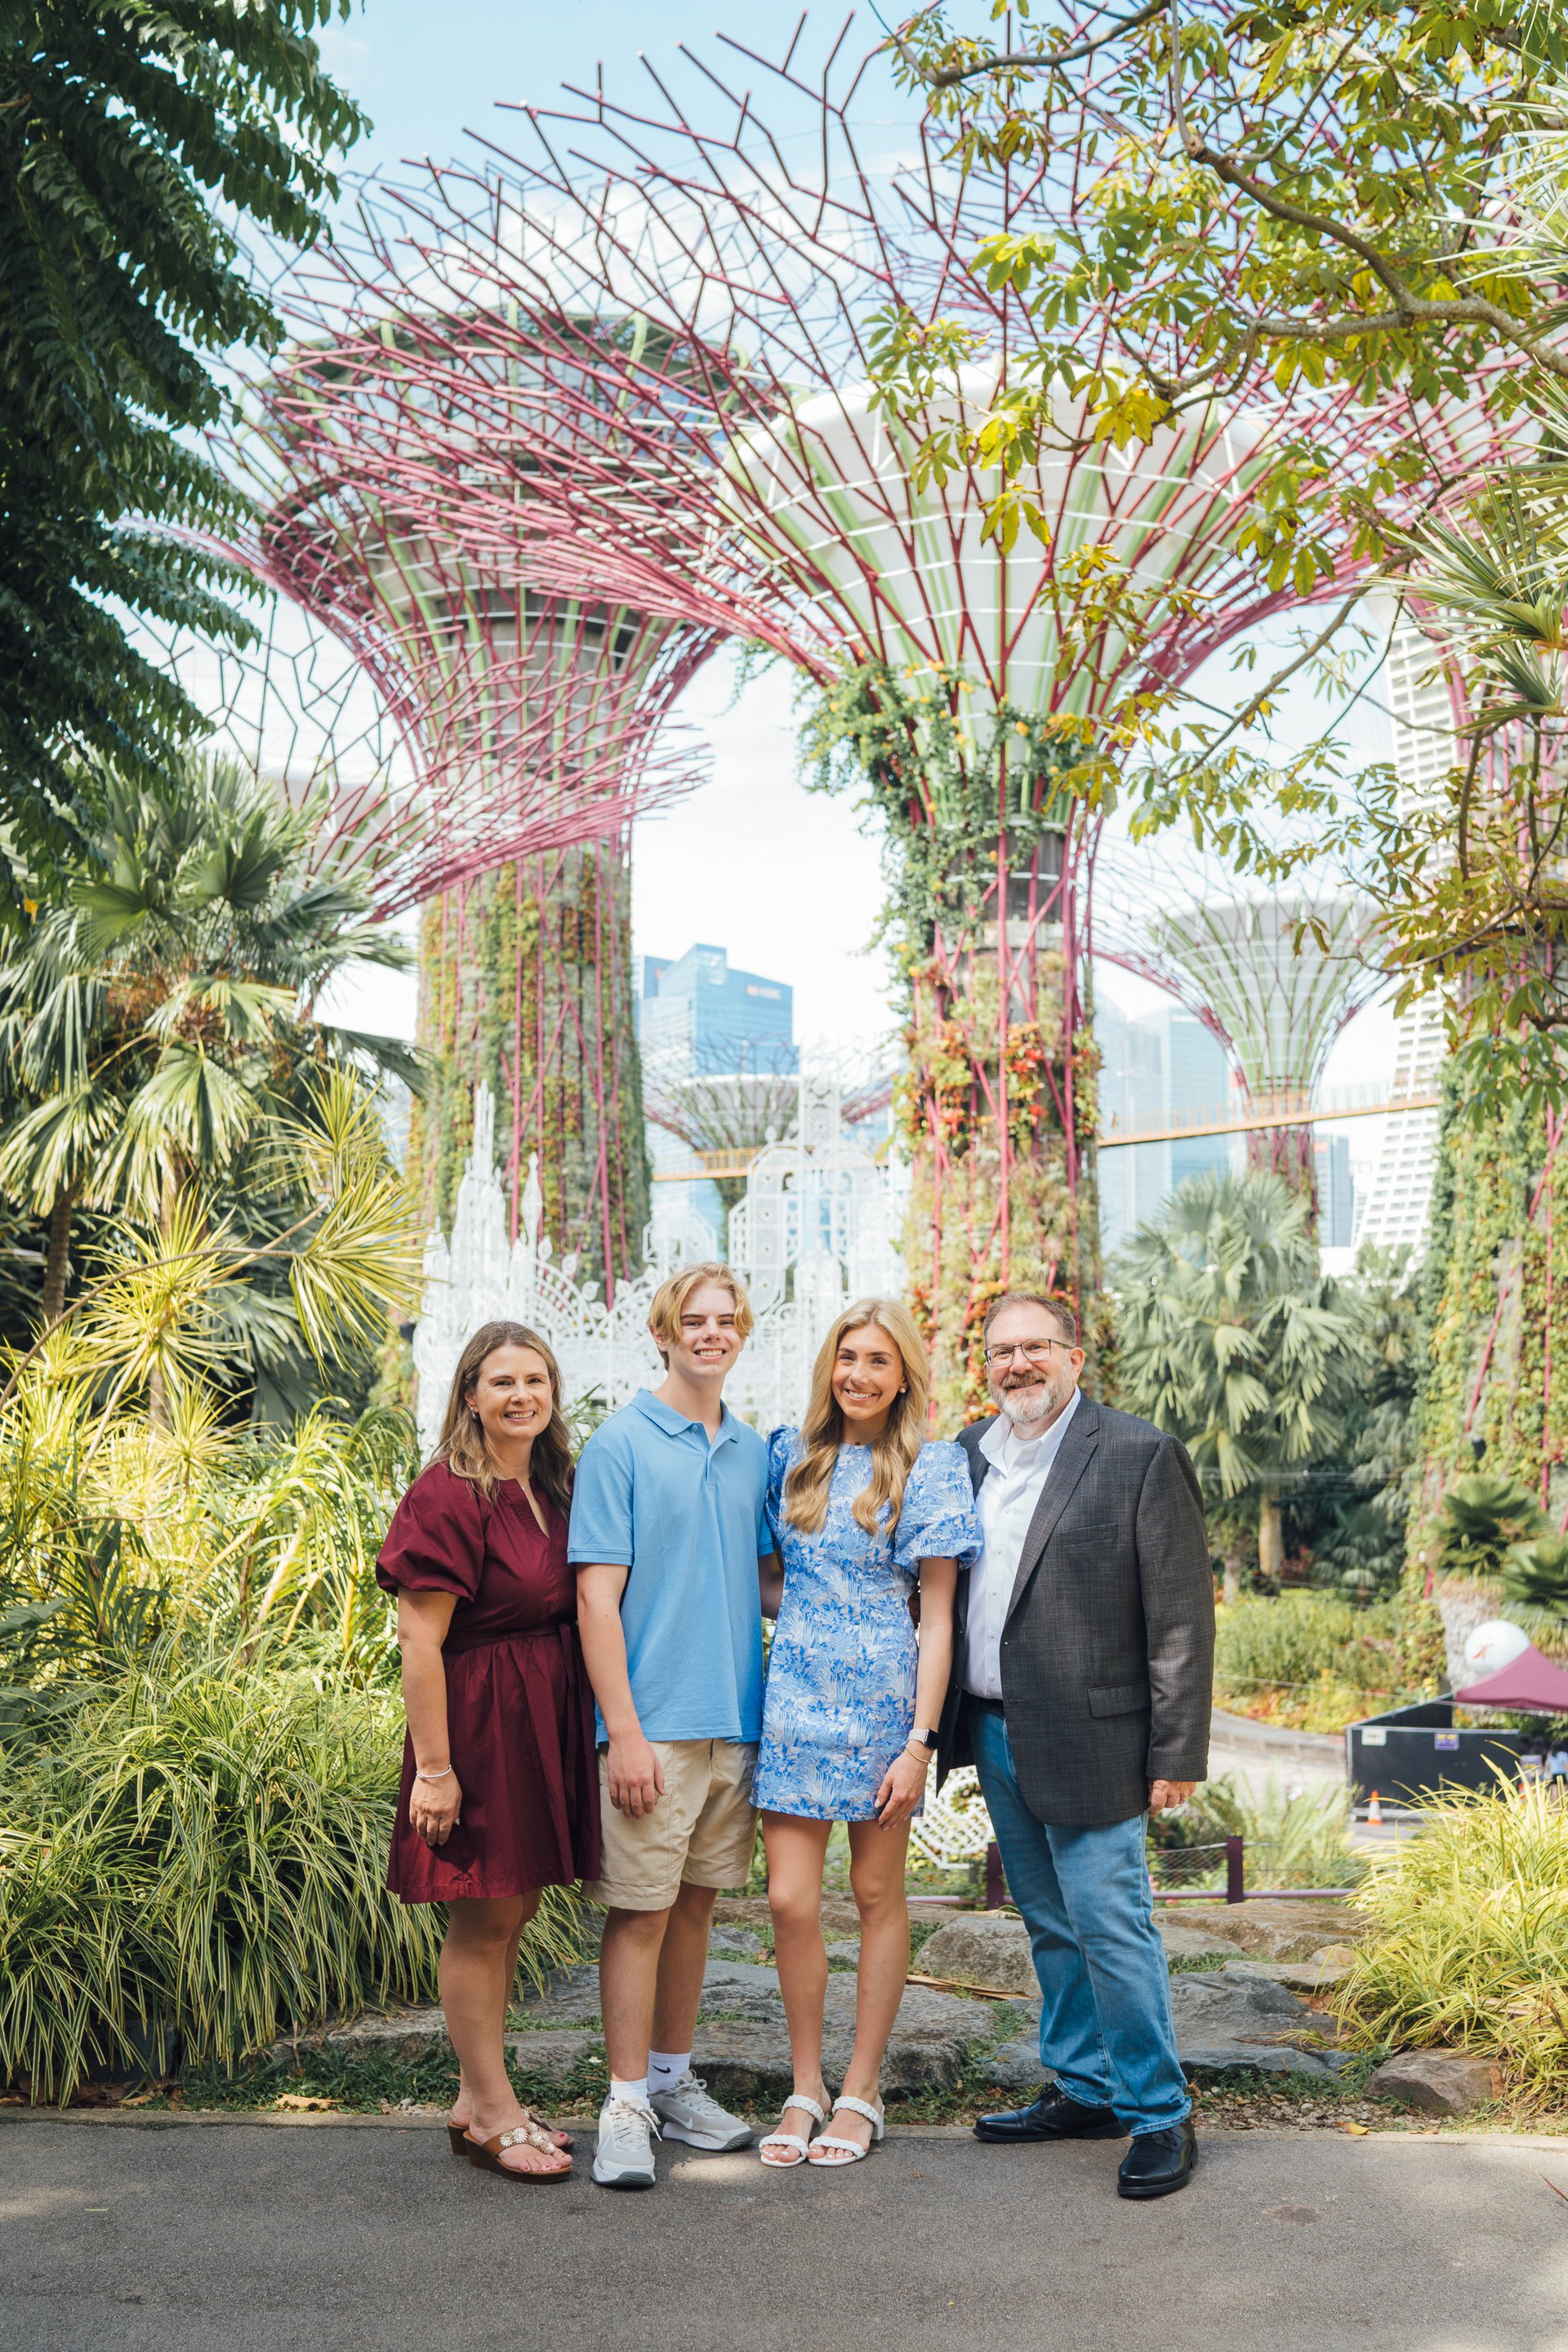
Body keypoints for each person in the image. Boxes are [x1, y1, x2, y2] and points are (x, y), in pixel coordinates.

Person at [938, 1289, 1214, 2202]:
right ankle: (1086, 2089)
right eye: (1001, 1351)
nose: (1017, 1364)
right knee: (1049, 1923)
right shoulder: (966, 1454)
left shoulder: (1137, 1453)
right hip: (992, 1726)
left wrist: (1175, 1754)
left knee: (1110, 1923)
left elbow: (1180, 1618)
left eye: (1036, 1347)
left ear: (1074, 1357)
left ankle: (1159, 2111)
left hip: (1099, 1739)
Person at [754, 1299, 981, 2170]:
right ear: (830, 1366)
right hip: (794, 1704)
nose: (859, 1374)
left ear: (903, 1376)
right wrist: (815, 1620)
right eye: (848, 1357)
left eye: (879, 1361)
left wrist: (920, 1743)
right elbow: (771, 1580)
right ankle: (804, 2086)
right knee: (789, 1901)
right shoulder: (791, 1455)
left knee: (877, 1895)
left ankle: (860, 2088)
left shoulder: (931, 1466)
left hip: (886, 1712)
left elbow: (939, 1618)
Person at [571, 1261, 777, 2190]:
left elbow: (765, 1581)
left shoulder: (752, 1449)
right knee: (641, 1910)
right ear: (662, 1333)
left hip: (736, 1720)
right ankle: (623, 2104)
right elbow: (595, 1600)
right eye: (693, 1320)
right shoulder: (619, 1443)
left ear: (741, 1334)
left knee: (695, 1906)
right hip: (652, 1725)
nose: (710, 1333)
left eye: (725, 1320)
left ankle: (669, 2082)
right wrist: (623, 1729)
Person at [377, 1321, 598, 2184]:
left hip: (539, 1716)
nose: (521, 1396)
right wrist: (436, 1771)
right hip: (478, 1726)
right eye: (502, 1381)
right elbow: (419, 1641)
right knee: (484, 1916)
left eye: (535, 1380)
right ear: (469, 1394)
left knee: (517, 1908)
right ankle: (494, 2114)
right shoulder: (448, 1494)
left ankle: (478, 2100)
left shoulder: (551, 1483)